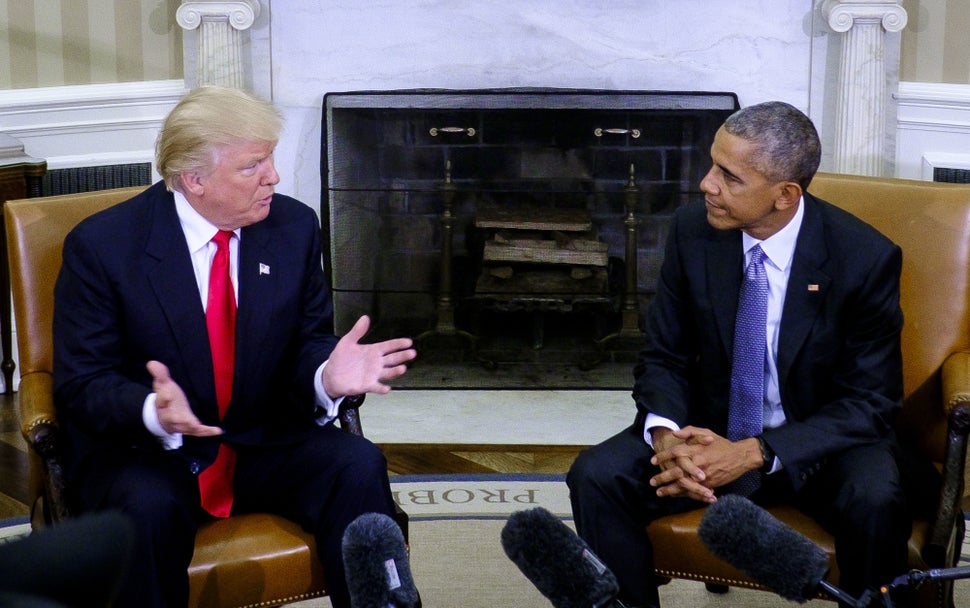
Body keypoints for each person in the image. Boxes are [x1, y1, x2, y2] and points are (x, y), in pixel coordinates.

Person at [52, 85, 417, 608]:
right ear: (194, 179)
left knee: (356, 465)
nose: (273, 177)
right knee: (147, 506)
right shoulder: (104, 246)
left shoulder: (293, 227)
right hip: (149, 452)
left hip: (256, 438)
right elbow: (82, 381)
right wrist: (152, 410)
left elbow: (308, 342)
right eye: (253, 166)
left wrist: (325, 379)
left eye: (270, 159)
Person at [566, 101, 938, 608]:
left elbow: (870, 403)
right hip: (708, 430)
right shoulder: (693, 232)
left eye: (729, 176)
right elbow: (663, 355)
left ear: (786, 195)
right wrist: (666, 437)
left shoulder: (862, 259)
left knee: (875, 498)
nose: (706, 184)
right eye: (711, 164)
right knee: (596, 476)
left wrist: (751, 453)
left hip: (821, 443)